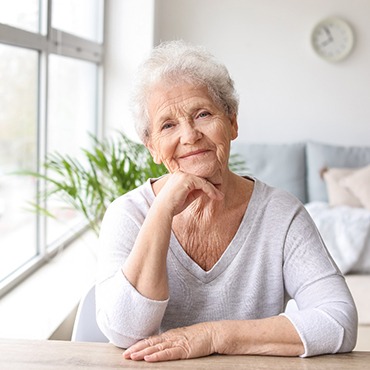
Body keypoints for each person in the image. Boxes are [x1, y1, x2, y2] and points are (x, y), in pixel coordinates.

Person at [96, 40, 357, 362]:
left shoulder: (280, 213)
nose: (189, 135)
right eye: (168, 125)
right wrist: (161, 211)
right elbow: (125, 331)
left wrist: (212, 335)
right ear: (151, 146)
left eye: (203, 114)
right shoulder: (128, 213)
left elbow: (338, 321)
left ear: (232, 122)